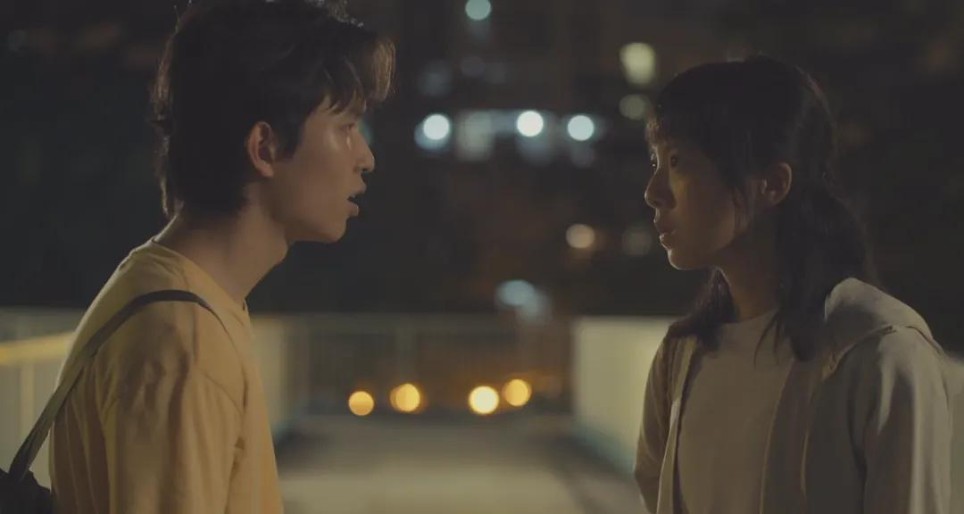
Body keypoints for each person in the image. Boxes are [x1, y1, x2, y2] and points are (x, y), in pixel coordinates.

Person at [48, 0, 394, 512]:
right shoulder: (184, 345)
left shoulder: (178, 299)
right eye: (346, 128)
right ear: (264, 147)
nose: (365, 158)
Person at [635, 56, 953, 514]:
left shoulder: (879, 349)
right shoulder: (681, 356)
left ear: (772, 184)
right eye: (655, 160)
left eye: (677, 161)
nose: (653, 191)